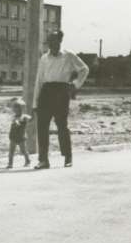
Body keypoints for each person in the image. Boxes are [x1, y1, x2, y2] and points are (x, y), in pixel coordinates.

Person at [33, 30, 90, 169]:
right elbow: (39, 80)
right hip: (46, 92)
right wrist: (35, 102)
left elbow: (84, 69)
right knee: (42, 127)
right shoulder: (44, 58)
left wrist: (75, 84)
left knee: (62, 126)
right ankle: (43, 160)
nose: (53, 44)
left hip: (61, 92)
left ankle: (67, 157)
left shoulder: (68, 55)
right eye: (50, 41)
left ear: (60, 41)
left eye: (55, 41)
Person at [6, 97, 31, 169]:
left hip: (21, 136)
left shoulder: (24, 116)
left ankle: (27, 161)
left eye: (19, 109)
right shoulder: (13, 117)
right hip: (13, 136)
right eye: (15, 109)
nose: (17, 110)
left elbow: (30, 119)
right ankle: (10, 163)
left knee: (23, 150)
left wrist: (31, 115)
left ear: (22, 109)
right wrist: (16, 122)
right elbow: (15, 122)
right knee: (11, 151)